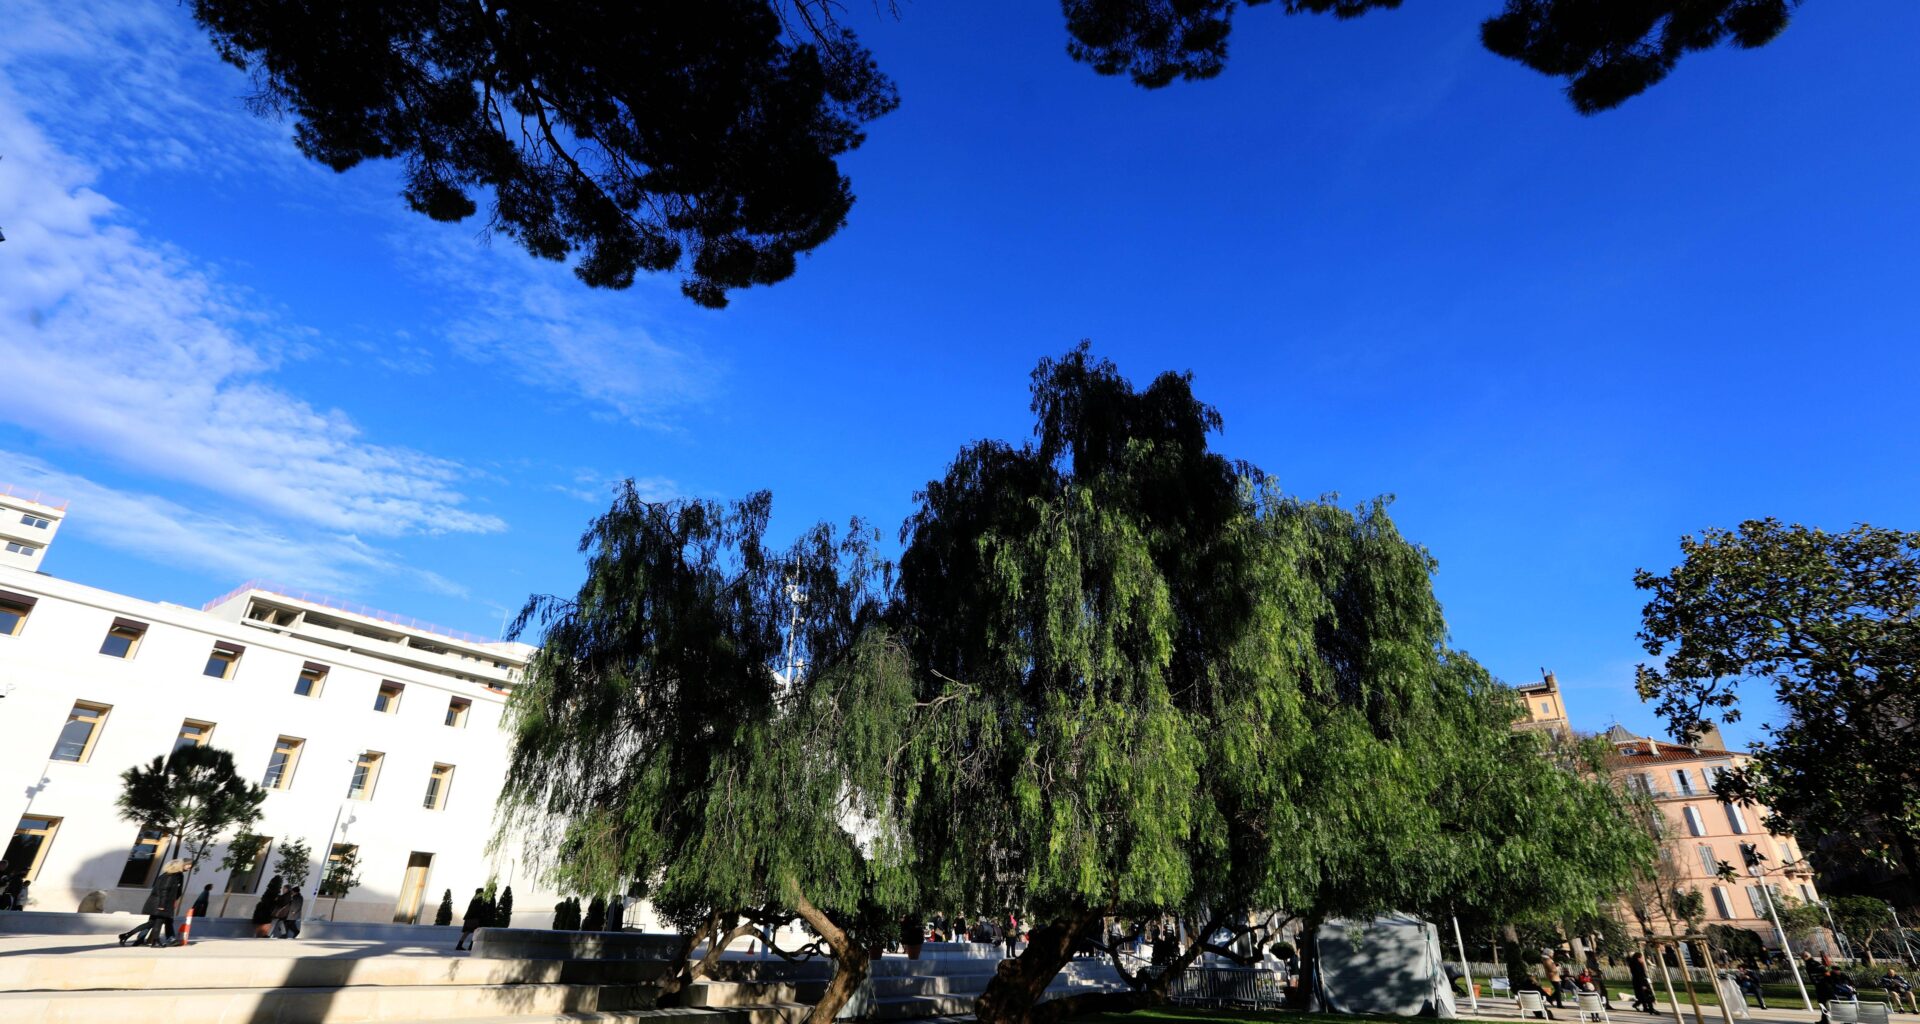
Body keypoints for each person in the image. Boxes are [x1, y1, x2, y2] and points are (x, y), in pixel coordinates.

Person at [120, 858, 187, 947]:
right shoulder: (170, 877)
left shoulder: (166, 875)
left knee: (152, 923)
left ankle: (127, 935)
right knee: (156, 923)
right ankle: (155, 941)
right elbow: (164, 891)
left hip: (159, 903)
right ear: (177, 867)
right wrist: (162, 905)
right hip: (161, 904)